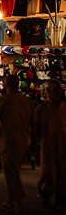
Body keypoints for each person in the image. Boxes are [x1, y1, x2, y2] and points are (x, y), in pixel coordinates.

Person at [0, 74, 32, 214]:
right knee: (14, 171)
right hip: (23, 141)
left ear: (7, 85)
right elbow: (33, 123)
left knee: (11, 173)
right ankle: (11, 199)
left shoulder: (3, 101)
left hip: (8, 141)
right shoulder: (26, 101)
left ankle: (17, 203)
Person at [32, 79, 66, 210]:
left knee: (63, 174)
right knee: (48, 173)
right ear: (46, 92)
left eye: (56, 90)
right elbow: (35, 128)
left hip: (64, 147)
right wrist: (34, 145)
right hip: (48, 147)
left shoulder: (64, 107)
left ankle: (61, 199)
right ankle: (46, 196)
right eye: (50, 90)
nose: (53, 93)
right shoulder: (42, 109)